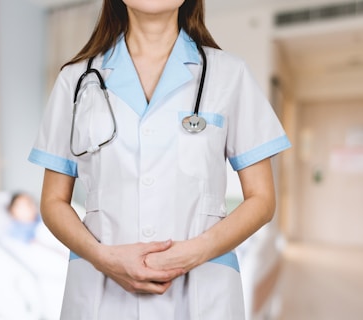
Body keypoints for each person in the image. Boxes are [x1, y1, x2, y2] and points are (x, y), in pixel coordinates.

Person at [28, 0, 291, 319]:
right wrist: (103, 258)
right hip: (101, 294)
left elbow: (262, 200)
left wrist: (195, 253)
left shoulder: (228, 74)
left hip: (202, 293)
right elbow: (54, 201)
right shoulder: (77, 79)